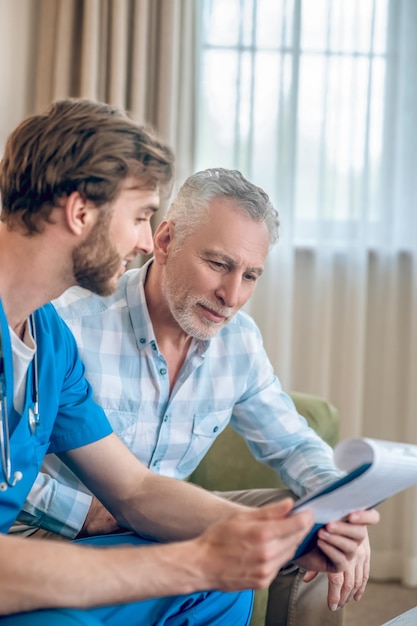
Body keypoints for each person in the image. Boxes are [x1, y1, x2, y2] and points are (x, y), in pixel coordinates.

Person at [0, 100, 377, 626]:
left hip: (123, 528)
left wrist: (265, 533)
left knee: (225, 591)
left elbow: (133, 490)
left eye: (250, 275)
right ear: (81, 212)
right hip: (36, 551)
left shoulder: (49, 342)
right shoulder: (73, 321)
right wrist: (189, 559)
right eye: (138, 217)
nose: (141, 241)